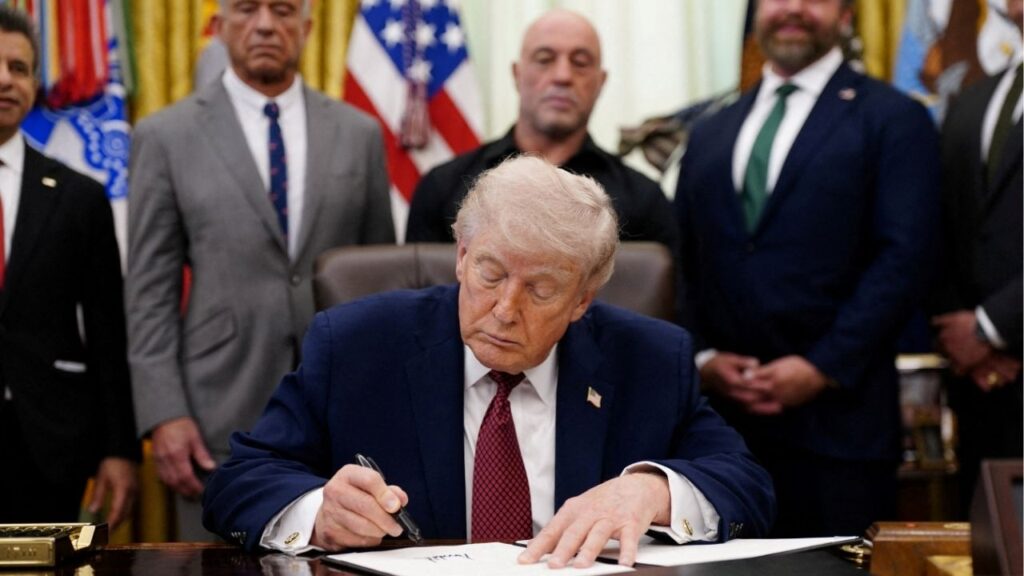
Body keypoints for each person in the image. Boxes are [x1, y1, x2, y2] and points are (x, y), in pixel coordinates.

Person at [203, 155, 775, 568]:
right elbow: (240, 482)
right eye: (491, 274)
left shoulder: (649, 359)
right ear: (461, 256)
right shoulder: (357, 345)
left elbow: (749, 486)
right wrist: (318, 512)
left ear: (582, 301)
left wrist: (653, 492)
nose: (505, 310)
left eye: (541, 290)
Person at [127, 0, 394, 540]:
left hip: (344, 411)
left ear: (307, 27)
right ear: (220, 25)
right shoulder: (166, 135)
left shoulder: (359, 132)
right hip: (217, 415)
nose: (266, 24)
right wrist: (165, 414)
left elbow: (379, 281)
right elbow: (149, 292)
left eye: (283, 10)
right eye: (247, 9)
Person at [674, 0, 940, 537]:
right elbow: (684, 260)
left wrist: (822, 367)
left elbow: (905, 258)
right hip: (722, 438)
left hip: (841, 433)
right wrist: (702, 357)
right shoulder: (710, 131)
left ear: (846, 16)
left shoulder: (894, 118)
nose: (793, 9)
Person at [0, 5, 138, 526]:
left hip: (48, 444)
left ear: (34, 83)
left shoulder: (79, 197)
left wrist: (119, 448)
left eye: (18, 68)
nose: (5, 79)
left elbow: (107, 331)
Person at [405, 9, 679, 261]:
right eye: (545, 59)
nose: (562, 76)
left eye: (580, 62)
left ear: (601, 82)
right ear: (517, 74)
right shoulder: (444, 188)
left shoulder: (645, 201)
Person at [932, 0, 1022, 514]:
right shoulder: (973, 100)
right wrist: (961, 332)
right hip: (982, 392)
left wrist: (992, 327)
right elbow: (942, 227)